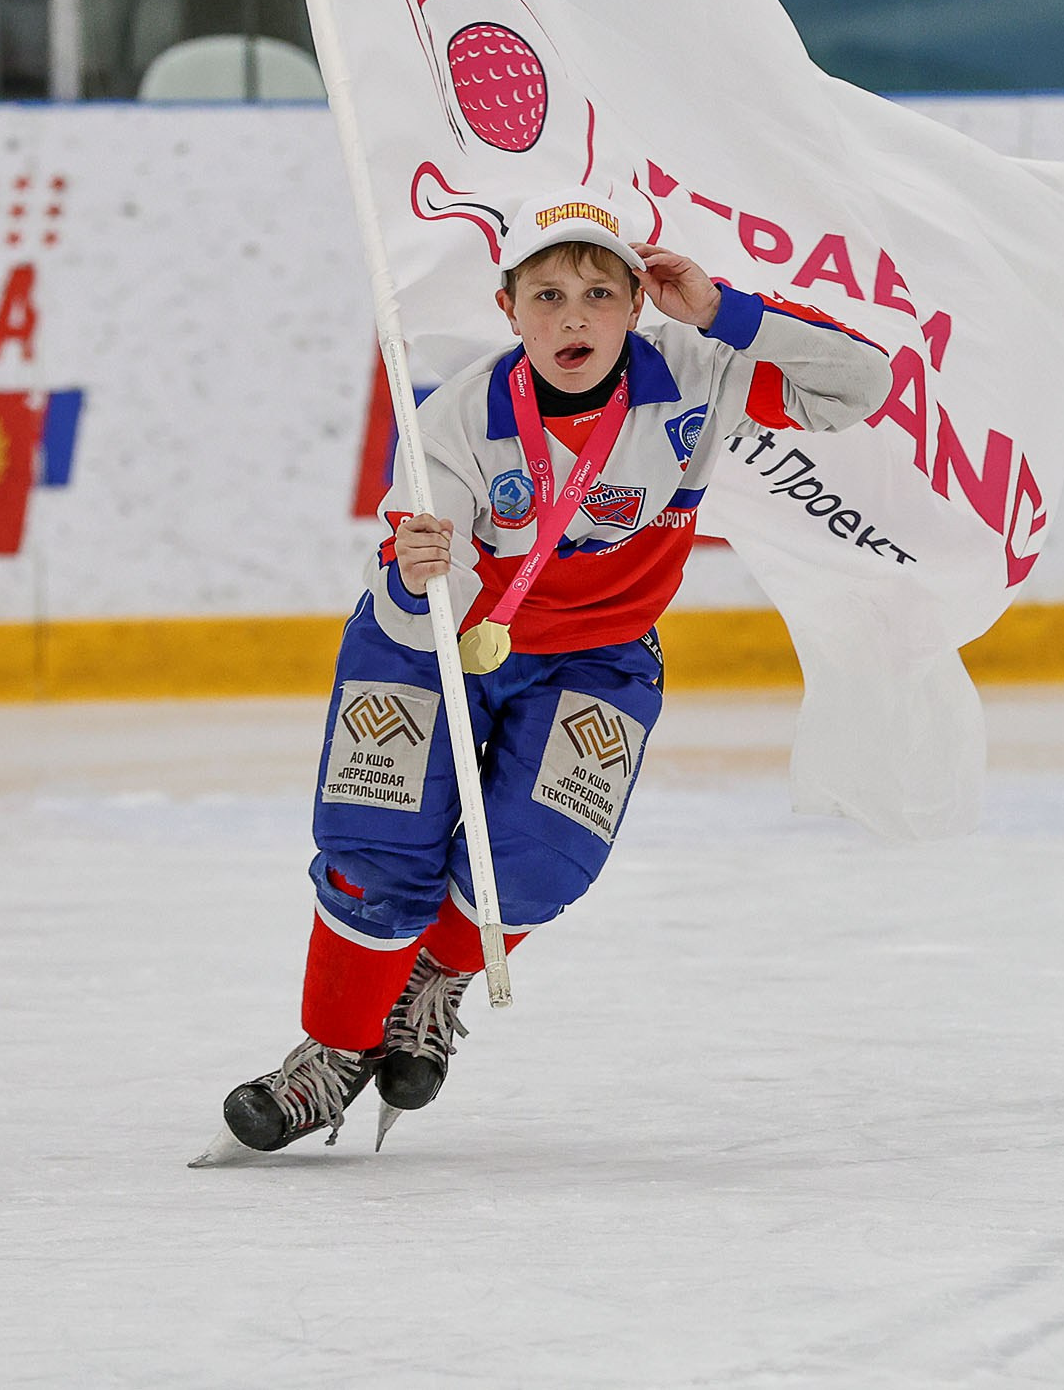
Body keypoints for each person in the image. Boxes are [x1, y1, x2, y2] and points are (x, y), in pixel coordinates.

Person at [206, 183, 893, 1157]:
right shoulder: (455, 420)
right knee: (374, 858)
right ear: (507, 309)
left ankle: (430, 984)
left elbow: (860, 385)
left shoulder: (698, 373)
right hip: (432, 640)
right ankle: (328, 1056)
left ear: (638, 302)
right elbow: (412, 605)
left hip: (598, 656)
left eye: (601, 293)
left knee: (533, 867)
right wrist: (416, 582)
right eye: (547, 294)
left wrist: (722, 311)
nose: (574, 315)